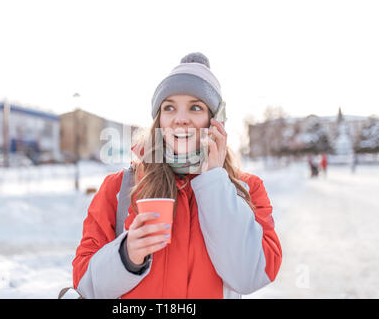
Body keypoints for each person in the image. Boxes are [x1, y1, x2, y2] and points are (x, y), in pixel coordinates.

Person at [71, 52, 282, 299]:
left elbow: (251, 276)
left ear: (215, 121)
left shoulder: (247, 188)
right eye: (169, 107)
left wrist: (214, 180)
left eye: (195, 107)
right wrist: (126, 257)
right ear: (159, 120)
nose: (180, 119)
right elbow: (84, 283)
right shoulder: (120, 187)